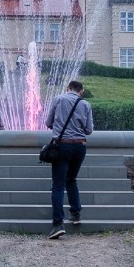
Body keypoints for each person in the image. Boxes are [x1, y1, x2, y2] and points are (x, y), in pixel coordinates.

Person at [44, 80, 93, 239]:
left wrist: (59, 126)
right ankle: (76, 214)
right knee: (71, 179)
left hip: (62, 146)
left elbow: (48, 123)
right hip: (80, 147)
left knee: (58, 185)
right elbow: (89, 130)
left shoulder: (58, 99)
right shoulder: (85, 104)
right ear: (81, 90)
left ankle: (58, 224)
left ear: (68, 88)